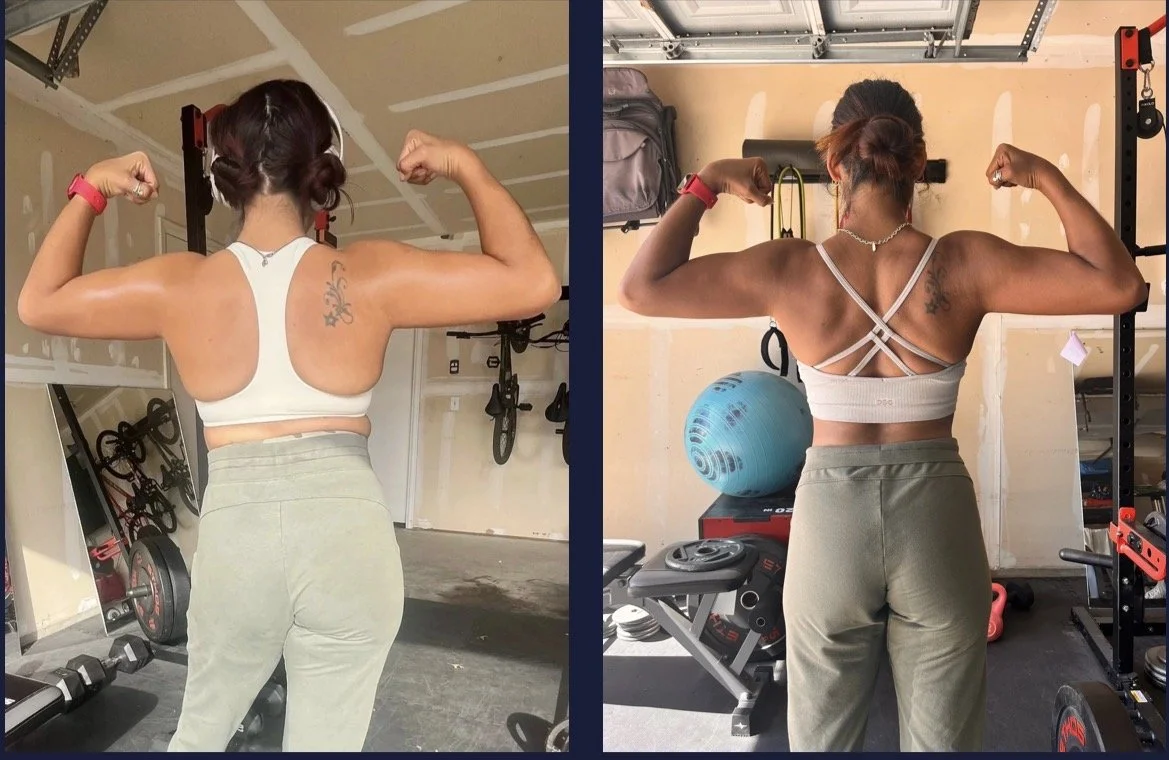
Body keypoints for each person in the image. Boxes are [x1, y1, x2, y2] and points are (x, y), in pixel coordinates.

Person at [17, 78, 561, 751]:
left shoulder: (181, 283)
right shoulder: (369, 273)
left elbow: (40, 302)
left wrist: (92, 189)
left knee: (199, 737)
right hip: (346, 537)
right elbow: (533, 281)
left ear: (224, 179)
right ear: (321, 171)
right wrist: (464, 165)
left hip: (239, 538)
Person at [618, 78, 1145, 751]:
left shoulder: (791, 268)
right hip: (934, 517)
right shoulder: (963, 261)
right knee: (943, 739)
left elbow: (640, 288)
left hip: (830, 520)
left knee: (822, 737)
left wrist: (709, 182)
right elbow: (1120, 284)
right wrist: (1043, 176)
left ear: (835, 165)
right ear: (917, 162)